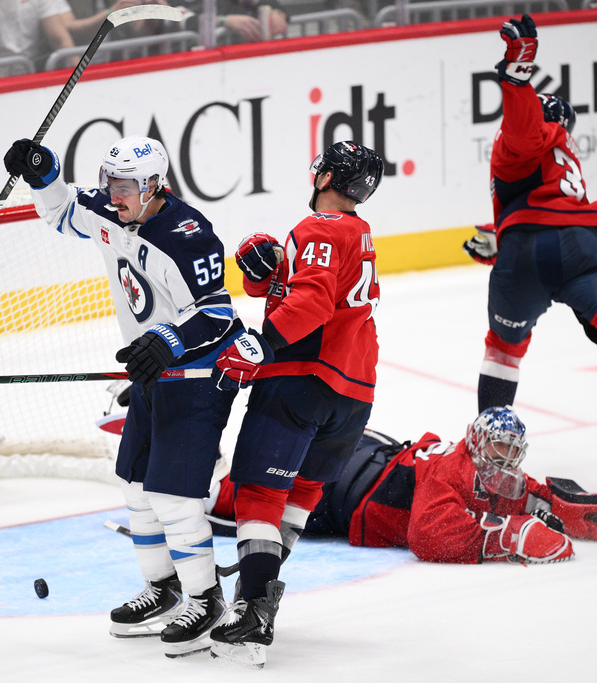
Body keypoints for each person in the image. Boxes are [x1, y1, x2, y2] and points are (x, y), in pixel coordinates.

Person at [2, 135, 244, 658]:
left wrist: (166, 340)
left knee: (175, 497)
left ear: (155, 186)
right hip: (154, 373)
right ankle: (164, 590)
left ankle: (207, 600)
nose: (114, 195)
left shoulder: (188, 235)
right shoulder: (114, 210)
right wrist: (43, 173)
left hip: (199, 375)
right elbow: (66, 211)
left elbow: (218, 314)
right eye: (110, 182)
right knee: (136, 486)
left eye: (126, 186)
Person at [207, 140, 383, 668]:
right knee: (300, 494)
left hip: (301, 381)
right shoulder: (359, 232)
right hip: (355, 394)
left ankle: (256, 613)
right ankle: (254, 598)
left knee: (258, 493)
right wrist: (267, 276)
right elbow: (302, 289)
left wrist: (263, 343)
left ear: (326, 175)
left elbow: (312, 302)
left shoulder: (320, 229)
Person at [463, 14, 597, 413]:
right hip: (578, 246)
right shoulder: (565, 156)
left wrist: (516, 77)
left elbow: (524, 133)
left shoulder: (525, 137)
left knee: (503, 350)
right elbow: (545, 210)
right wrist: (496, 240)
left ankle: (490, 449)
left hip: (526, 251)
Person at [205, 407, 597, 565]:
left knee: (284, 457)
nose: (504, 459)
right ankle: (199, 468)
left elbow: (521, 490)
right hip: (345, 497)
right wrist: (509, 534)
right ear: (476, 442)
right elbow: (427, 536)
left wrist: (570, 508)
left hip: (370, 455)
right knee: (243, 497)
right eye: (498, 449)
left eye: (511, 451)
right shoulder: (451, 473)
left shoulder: (476, 463)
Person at [176, 0, 289, 43]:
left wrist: (276, 13)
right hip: (188, 65)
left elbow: (262, 2)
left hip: (240, 58)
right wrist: (224, 21)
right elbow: (184, 20)